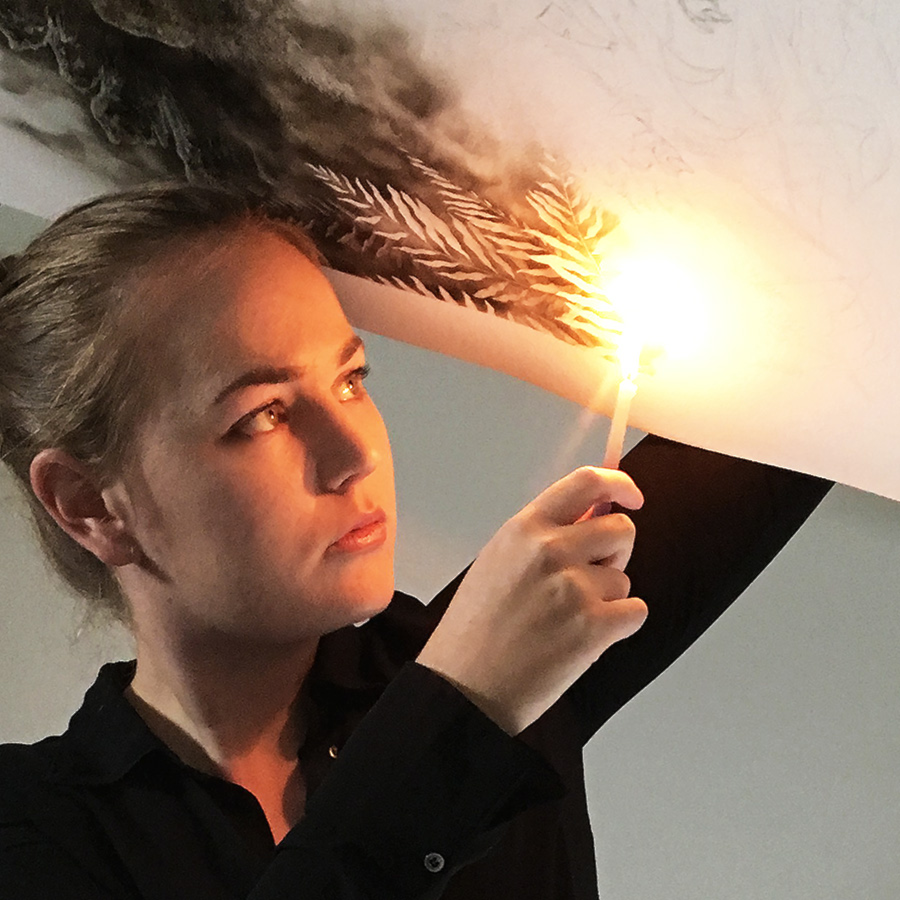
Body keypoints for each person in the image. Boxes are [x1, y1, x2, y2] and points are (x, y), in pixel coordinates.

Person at [0, 182, 831, 900]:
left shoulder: (481, 655)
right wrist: (461, 714)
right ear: (89, 504)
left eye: (351, 379)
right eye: (264, 415)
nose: (355, 454)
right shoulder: (34, 829)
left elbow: (807, 407)